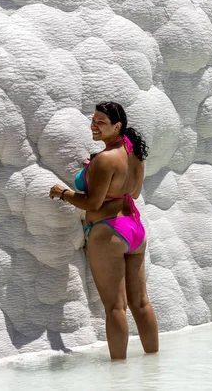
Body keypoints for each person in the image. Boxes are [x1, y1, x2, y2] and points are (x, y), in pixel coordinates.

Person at [49, 101, 159, 360]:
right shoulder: (135, 154)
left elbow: (92, 203)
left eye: (100, 122)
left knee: (115, 307)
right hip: (134, 230)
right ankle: (155, 370)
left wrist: (63, 193)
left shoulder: (105, 159)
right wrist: (96, 170)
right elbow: (133, 192)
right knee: (141, 303)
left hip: (108, 232)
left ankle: (118, 379)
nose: (93, 126)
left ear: (117, 126)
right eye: (93, 120)